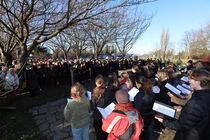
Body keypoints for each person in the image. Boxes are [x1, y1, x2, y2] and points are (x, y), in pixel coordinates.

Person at [155, 69, 210, 140]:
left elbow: (182, 125)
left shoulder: (197, 101)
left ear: (199, 82)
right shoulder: (205, 94)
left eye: (191, 79)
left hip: (191, 135)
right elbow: (200, 113)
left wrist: (164, 121)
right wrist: (183, 108)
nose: (188, 81)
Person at [134, 75, 155, 140]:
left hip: (142, 118)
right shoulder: (150, 91)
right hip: (149, 115)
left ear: (138, 84)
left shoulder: (140, 95)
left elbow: (137, 109)